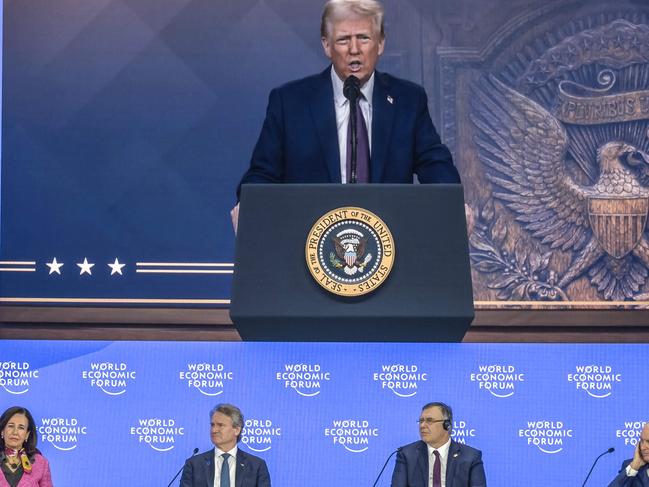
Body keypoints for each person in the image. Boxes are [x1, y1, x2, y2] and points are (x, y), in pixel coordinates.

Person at [231, 0, 460, 231]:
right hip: (307, 241)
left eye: (364, 38)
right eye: (343, 39)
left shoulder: (408, 100)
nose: (354, 49)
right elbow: (263, 173)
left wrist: (453, 202)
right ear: (326, 46)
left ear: (380, 43)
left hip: (389, 241)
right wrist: (249, 204)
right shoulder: (290, 102)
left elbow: (435, 163)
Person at [391, 402, 486, 487]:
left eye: (429, 420)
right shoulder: (407, 454)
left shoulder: (471, 456)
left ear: (447, 425)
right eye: (421, 421)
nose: (422, 425)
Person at [180, 403, 270, 487]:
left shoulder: (256, 466)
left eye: (220, 425)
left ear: (237, 430)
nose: (214, 430)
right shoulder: (194, 464)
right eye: (212, 425)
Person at [0, 406, 53, 487]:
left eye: (21, 428)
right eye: (11, 426)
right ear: (2, 431)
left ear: (27, 434)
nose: (15, 432)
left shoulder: (41, 463)